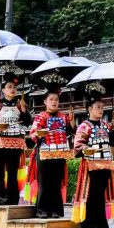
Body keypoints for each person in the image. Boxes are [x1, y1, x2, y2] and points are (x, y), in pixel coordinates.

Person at [72, 94, 114, 228]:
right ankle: (88, 222)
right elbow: (78, 145)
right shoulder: (84, 126)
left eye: (102, 107)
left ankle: (100, 223)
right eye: (98, 107)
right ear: (89, 109)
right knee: (91, 193)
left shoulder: (106, 126)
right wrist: (87, 149)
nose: (101, 110)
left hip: (105, 164)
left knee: (100, 194)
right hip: (91, 165)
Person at [27, 89, 73, 219]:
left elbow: (69, 132)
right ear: (45, 101)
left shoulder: (64, 116)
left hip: (60, 153)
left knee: (56, 183)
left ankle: (55, 210)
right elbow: (33, 132)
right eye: (51, 99)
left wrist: (72, 123)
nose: (54, 102)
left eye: (56, 99)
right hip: (45, 153)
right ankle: (42, 210)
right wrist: (40, 133)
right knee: (45, 182)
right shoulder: (41, 116)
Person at [0, 73, 31, 205]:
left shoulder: (20, 104)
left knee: (13, 171)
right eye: (9, 87)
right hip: (0, 141)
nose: (12, 89)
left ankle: (13, 198)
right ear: (3, 90)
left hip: (16, 142)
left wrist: (24, 111)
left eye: (14, 87)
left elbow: (28, 122)